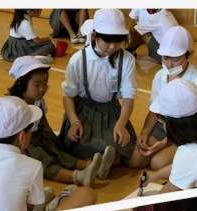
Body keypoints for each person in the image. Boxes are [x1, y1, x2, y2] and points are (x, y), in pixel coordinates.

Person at [0, 96, 96, 211]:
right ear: (22, 137)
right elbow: (33, 205)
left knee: (41, 193)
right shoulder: (33, 166)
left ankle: (53, 204)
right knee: (86, 193)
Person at [60, 9, 146, 173]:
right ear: (94, 36)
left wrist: (121, 124)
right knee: (80, 143)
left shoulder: (126, 59)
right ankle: (95, 164)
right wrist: (74, 121)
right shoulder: (78, 59)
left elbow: (128, 98)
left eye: (118, 41)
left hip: (111, 111)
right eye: (107, 41)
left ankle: (100, 163)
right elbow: (68, 96)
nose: (113, 47)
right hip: (82, 111)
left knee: (120, 148)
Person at [8, 56, 110, 186]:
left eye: (45, 84)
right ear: (21, 84)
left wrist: (54, 142)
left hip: (38, 138)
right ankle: (78, 177)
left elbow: (44, 125)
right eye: (37, 85)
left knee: (58, 151)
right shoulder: (15, 107)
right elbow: (15, 139)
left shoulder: (38, 101)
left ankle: (93, 166)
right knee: (44, 160)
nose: (42, 88)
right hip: (23, 144)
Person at [137, 26, 197, 180]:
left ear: (189, 55)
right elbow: (154, 109)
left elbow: (192, 124)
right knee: (136, 159)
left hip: (186, 132)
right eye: (165, 58)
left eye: (175, 59)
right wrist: (145, 132)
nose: (168, 64)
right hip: (164, 126)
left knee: (157, 163)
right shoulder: (160, 76)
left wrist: (164, 143)